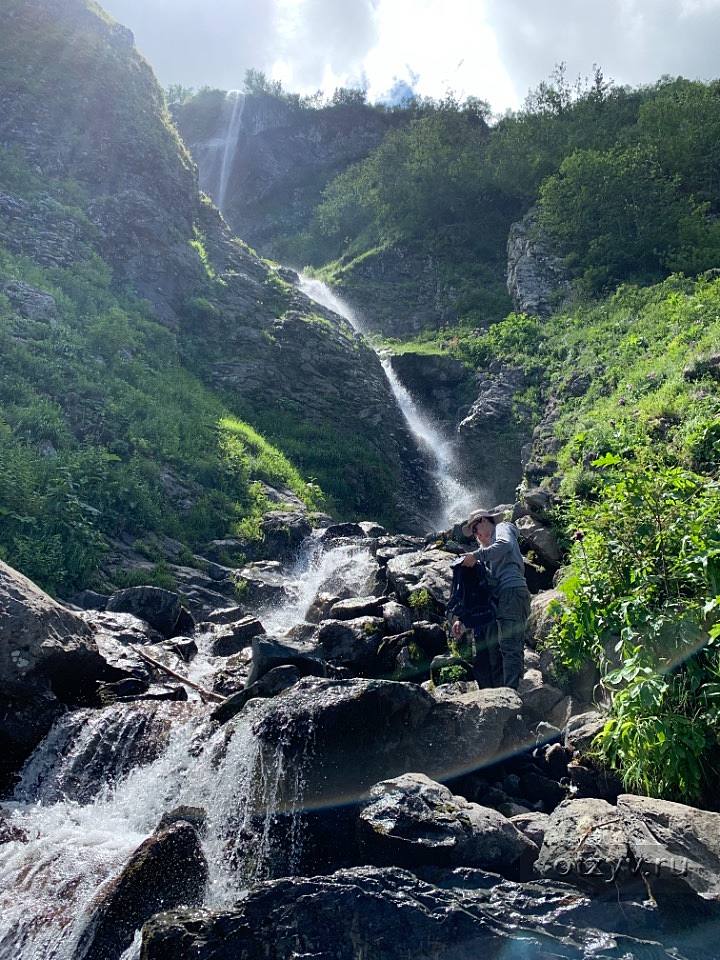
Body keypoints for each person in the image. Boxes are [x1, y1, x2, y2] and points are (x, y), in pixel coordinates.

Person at [458, 509, 530, 689]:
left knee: (509, 644)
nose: (476, 535)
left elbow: (504, 545)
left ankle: (512, 693)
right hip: (506, 595)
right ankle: (514, 688)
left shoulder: (502, 528)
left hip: (512, 590)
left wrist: (476, 555)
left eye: (475, 530)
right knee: (507, 645)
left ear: (482, 521)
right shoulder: (489, 551)